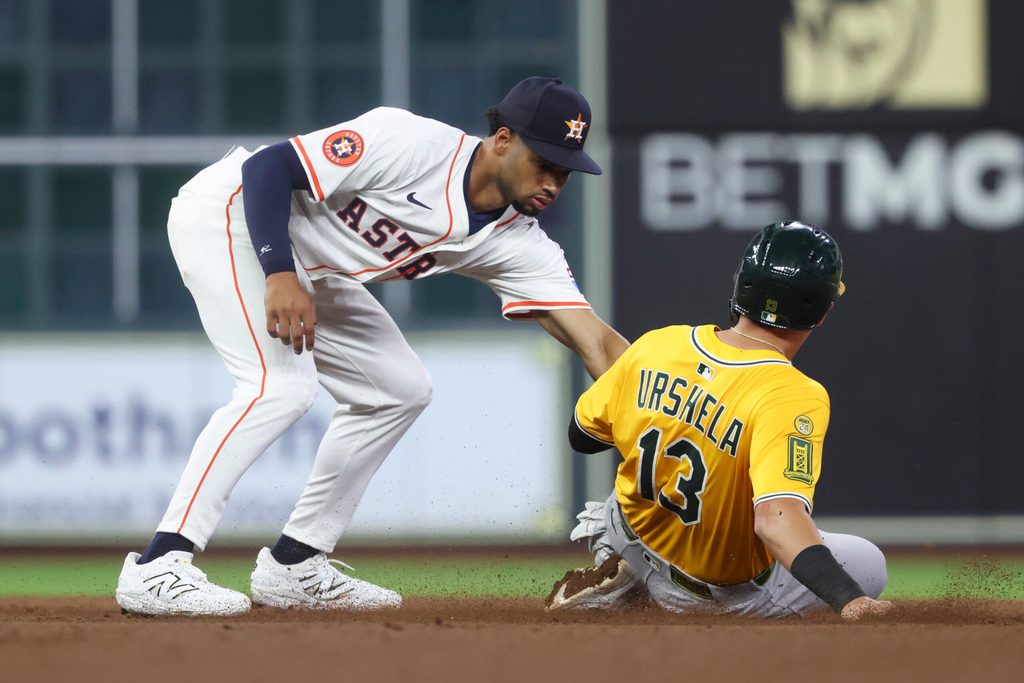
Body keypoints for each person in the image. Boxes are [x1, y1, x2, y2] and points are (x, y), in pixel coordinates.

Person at [115, 77, 629, 616]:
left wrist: (661, 412)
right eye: (544, 162)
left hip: (313, 265)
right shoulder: (409, 143)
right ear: (502, 139)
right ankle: (160, 563)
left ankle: (296, 564)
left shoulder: (519, 242)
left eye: (565, 171)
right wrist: (278, 273)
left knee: (399, 389)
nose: (553, 181)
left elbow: (594, 339)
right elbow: (267, 167)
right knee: (281, 386)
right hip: (232, 218)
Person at [546, 222, 893, 620]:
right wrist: (851, 601)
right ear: (823, 310)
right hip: (701, 594)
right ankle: (663, 601)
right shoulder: (791, 393)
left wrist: (673, 412)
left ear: (742, 286)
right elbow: (776, 521)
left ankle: (625, 578)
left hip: (620, 535)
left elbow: (582, 437)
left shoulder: (661, 343)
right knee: (868, 563)